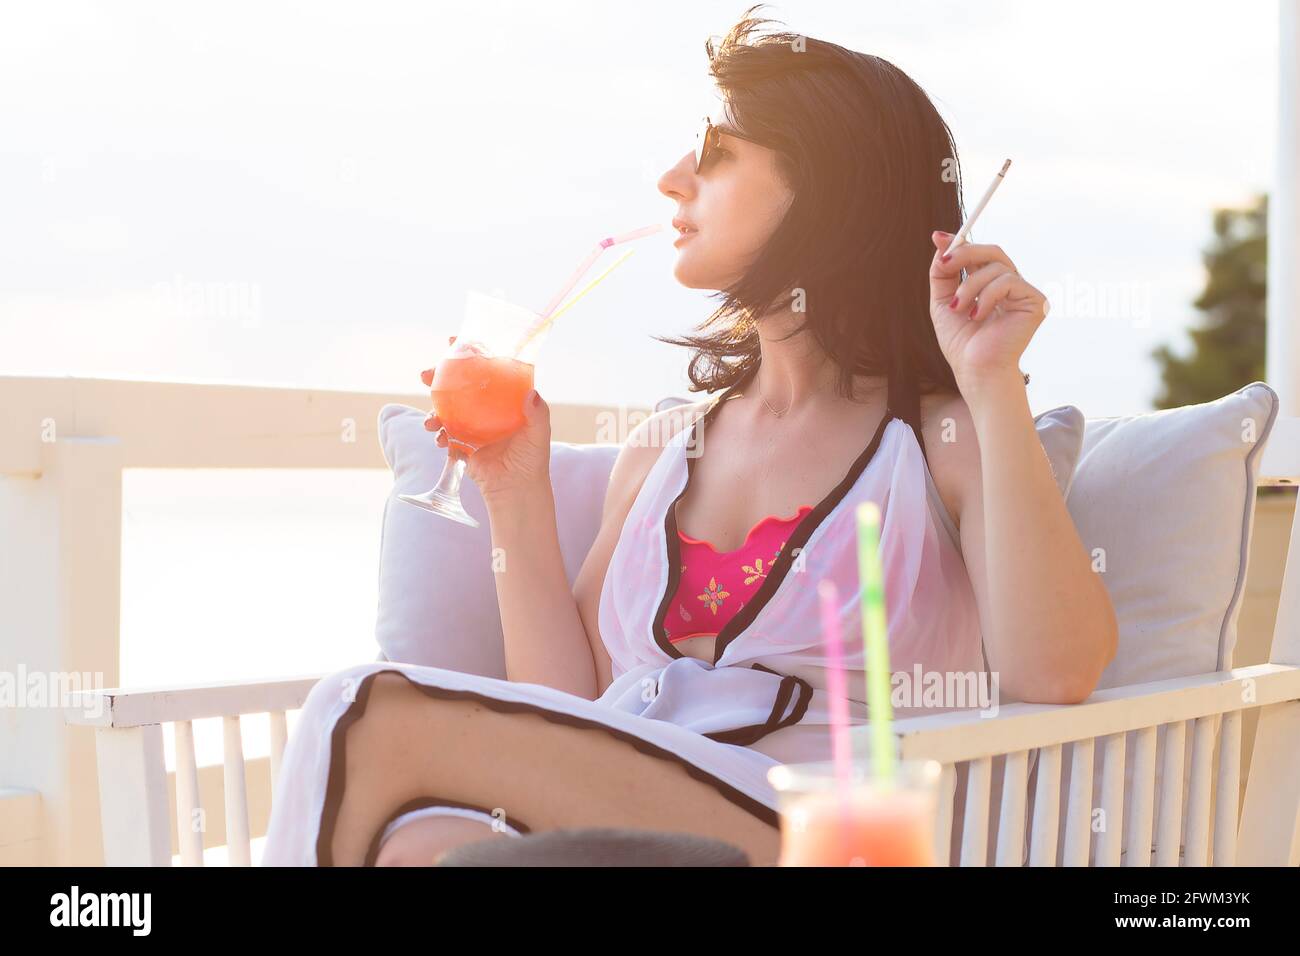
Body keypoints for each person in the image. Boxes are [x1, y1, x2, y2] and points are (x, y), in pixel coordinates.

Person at [260, 6, 1117, 867]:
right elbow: (570, 710)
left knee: (359, 708)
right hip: (645, 827)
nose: (672, 178)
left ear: (827, 190)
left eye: (714, 152)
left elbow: (1055, 672)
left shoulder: (940, 438)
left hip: (826, 835)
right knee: (425, 844)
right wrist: (514, 492)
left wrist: (990, 379)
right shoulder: (666, 449)